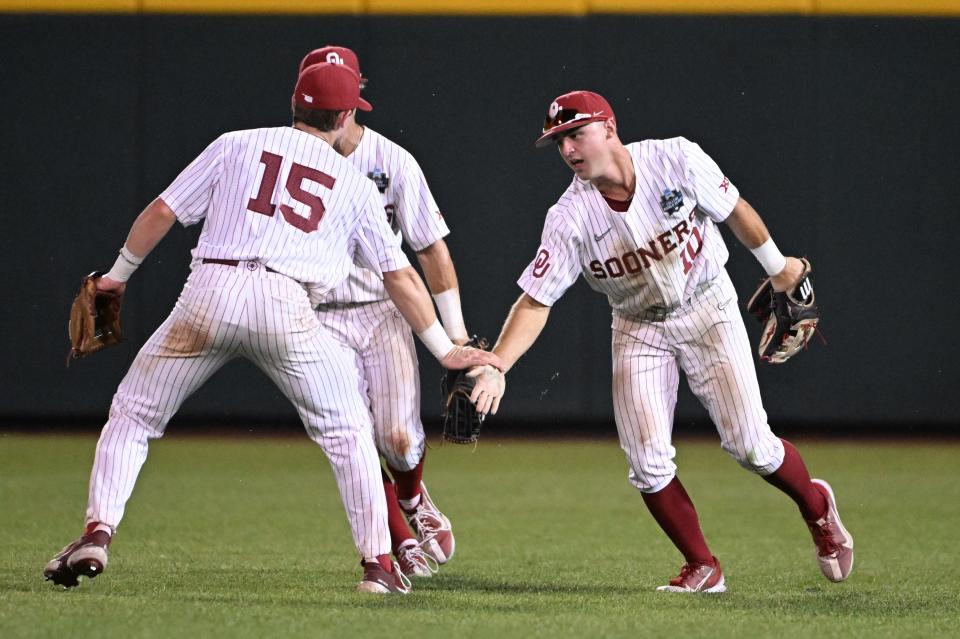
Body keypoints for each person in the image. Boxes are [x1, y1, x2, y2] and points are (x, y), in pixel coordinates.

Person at [42, 62, 501, 595]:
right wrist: (446, 349)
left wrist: (116, 277)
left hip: (208, 291)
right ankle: (378, 564)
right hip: (287, 305)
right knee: (348, 431)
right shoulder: (351, 182)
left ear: (295, 103)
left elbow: (164, 210)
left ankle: (97, 532)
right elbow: (399, 273)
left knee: (134, 414)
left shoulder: (236, 143)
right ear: (347, 113)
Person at [469, 90, 853, 593]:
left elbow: (735, 210)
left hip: (708, 305)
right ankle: (702, 566)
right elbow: (535, 301)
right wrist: (498, 362)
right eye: (558, 141)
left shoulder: (674, 158)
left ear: (609, 128)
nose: (567, 149)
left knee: (752, 447)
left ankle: (818, 506)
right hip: (637, 325)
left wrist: (780, 270)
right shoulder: (569, 218)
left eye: (575, 134)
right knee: (647, 462)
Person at [296, 45, 465, 578]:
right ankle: (395, 539)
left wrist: (456, 335)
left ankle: (414, 499)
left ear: (355, 95)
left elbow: (431, 248)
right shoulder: (285, 157)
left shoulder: (392, 162)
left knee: (397, 436)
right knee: (351, 434)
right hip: (316, 314)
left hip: (383, 310)